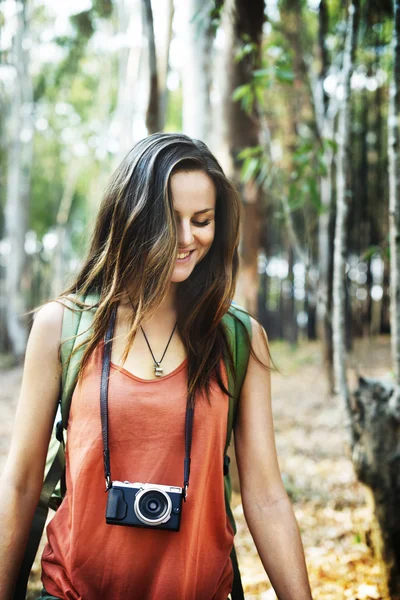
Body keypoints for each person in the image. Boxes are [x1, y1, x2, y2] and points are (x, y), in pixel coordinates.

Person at [0, 133, 312, 600]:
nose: (187, 239)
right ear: (132, 218)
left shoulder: (240, 339)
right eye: (171, 220)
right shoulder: (62, 327)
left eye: (202, 220)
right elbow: (22, 484)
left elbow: (265, 498)